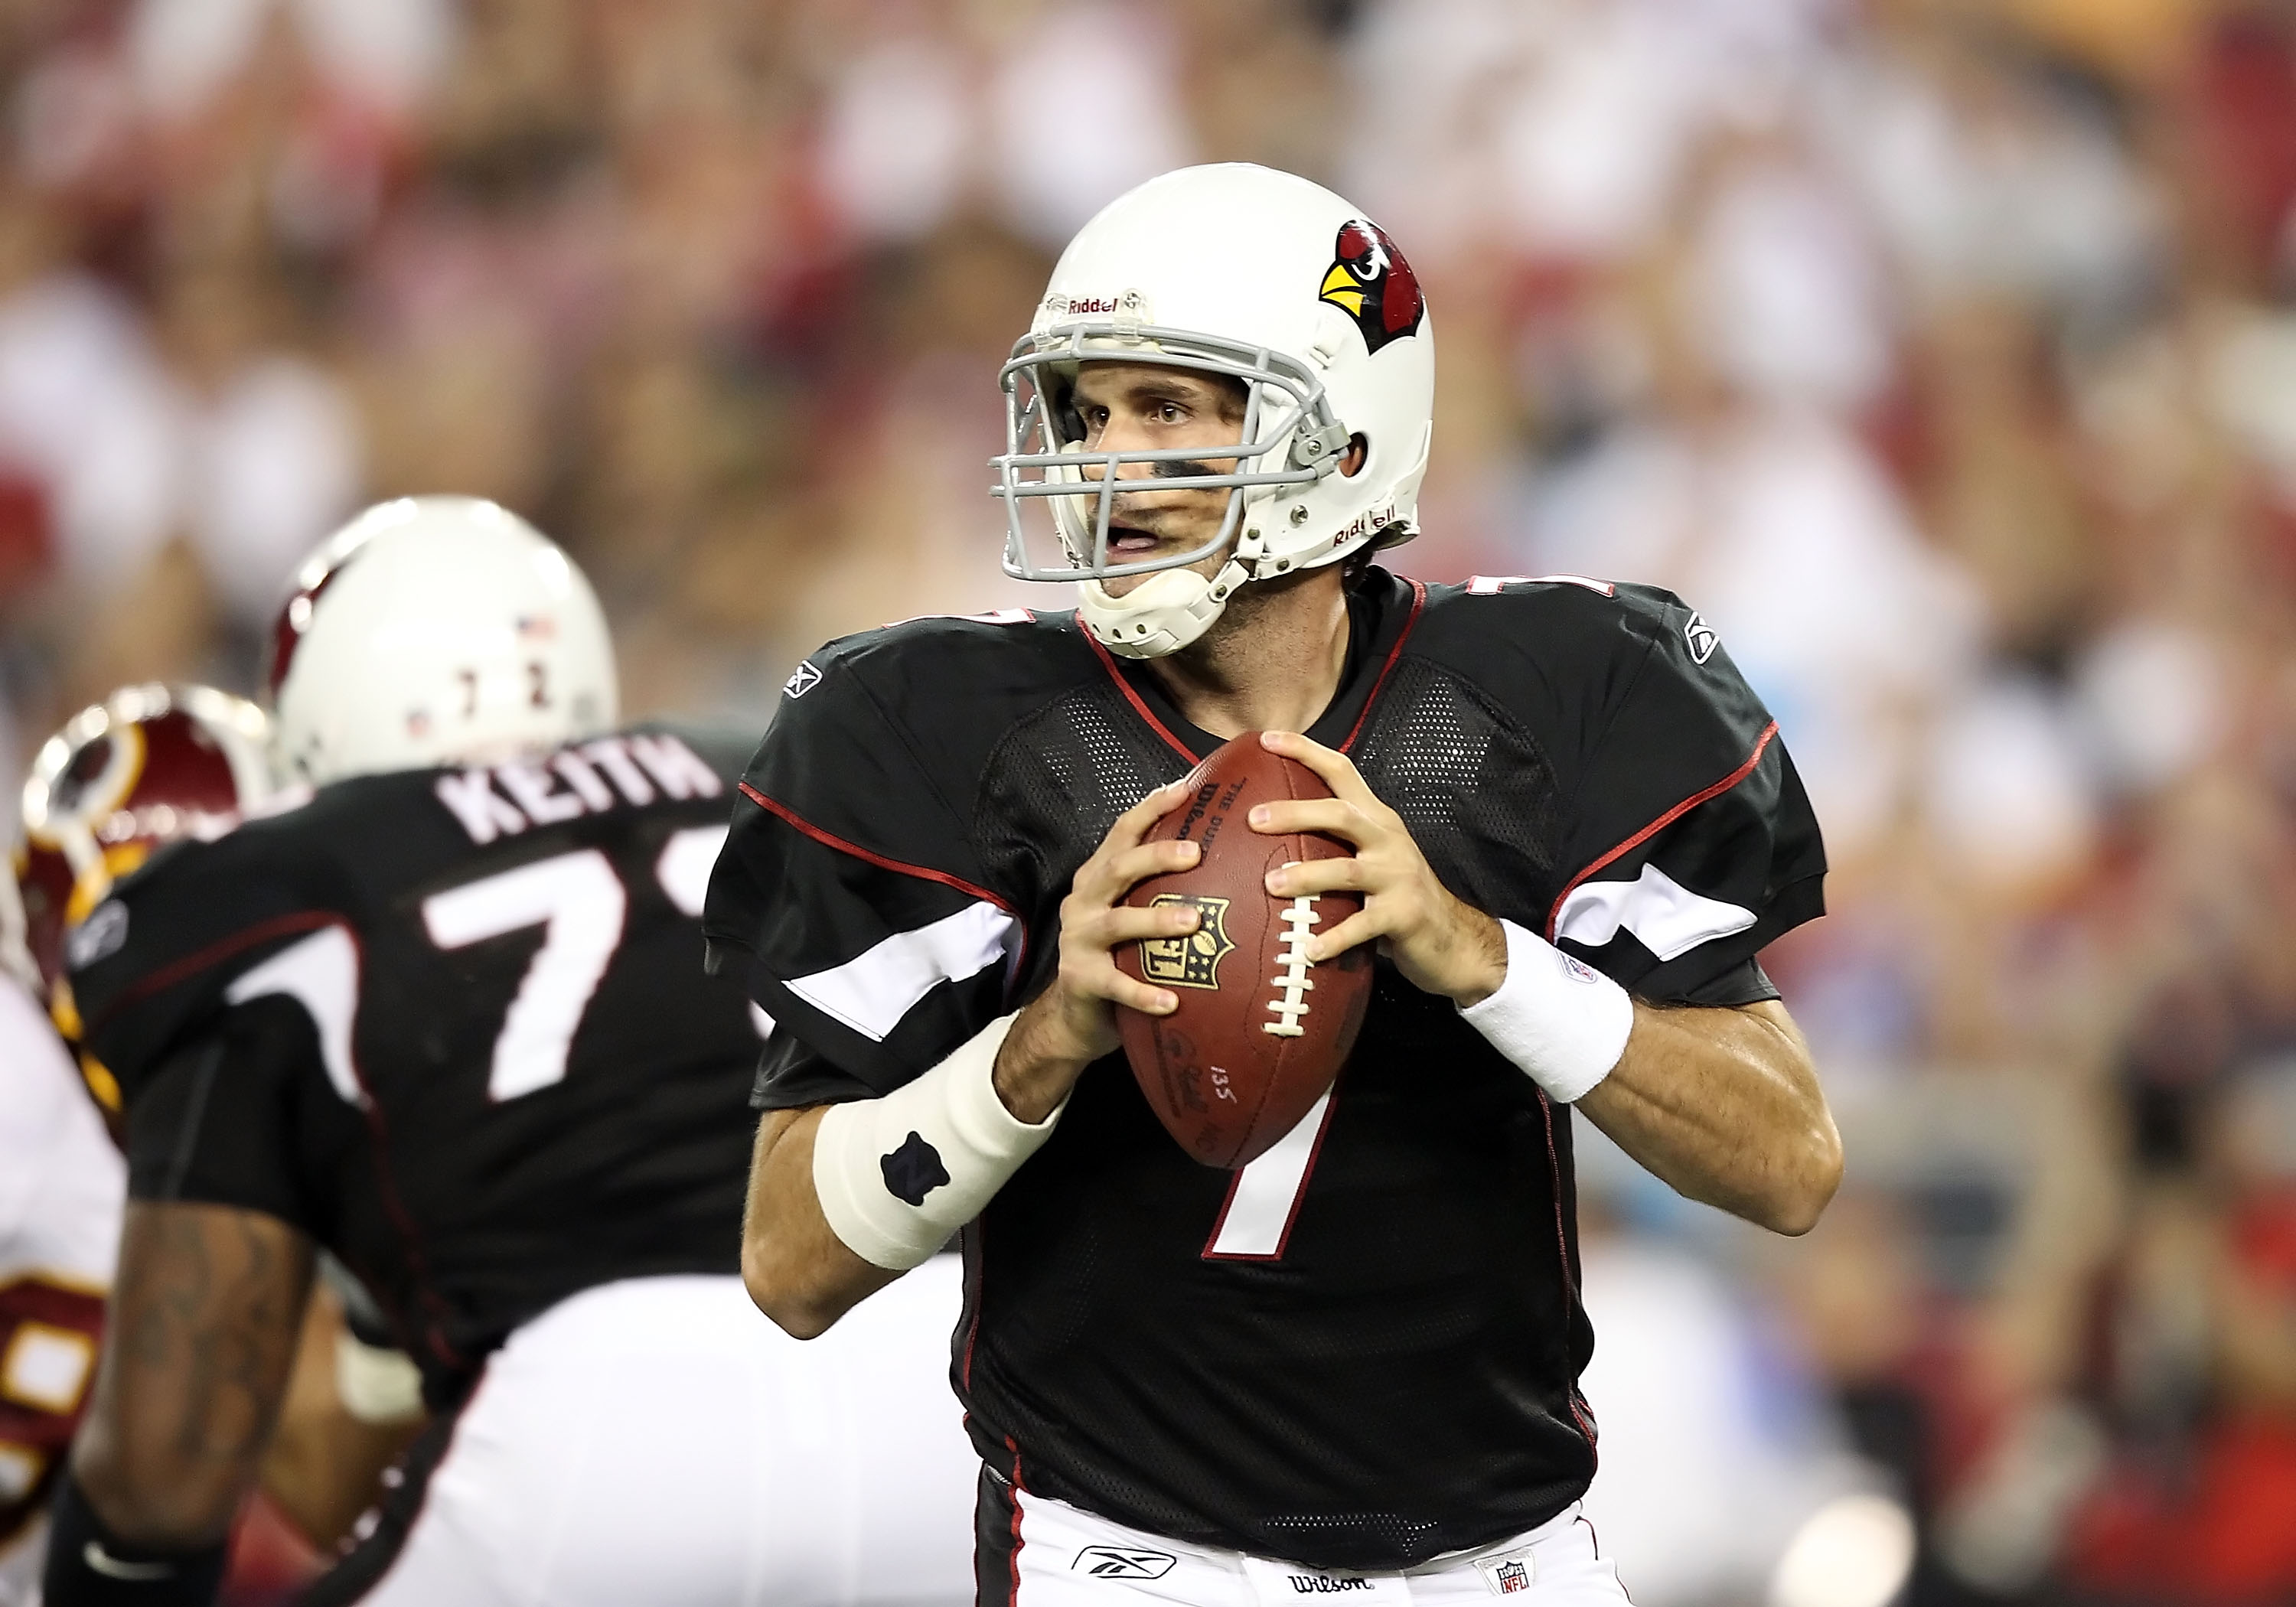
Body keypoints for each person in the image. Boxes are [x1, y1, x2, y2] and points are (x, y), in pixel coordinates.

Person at [707, 164, 1843, 1604]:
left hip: (1505, 1564)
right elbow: (792, 1262)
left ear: (1343, 435)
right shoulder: (947, 727)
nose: (1106, 463)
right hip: (1123, 1559)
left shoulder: (1545, 701)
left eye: (1169, 408)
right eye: (1086, 409)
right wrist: (1045, 1036)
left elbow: (1791, 1165)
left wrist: (1480, 956)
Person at [52, 497, 980, 1606]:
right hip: (931, 1372)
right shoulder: (775, 773)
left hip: (595, 1423)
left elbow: (169, 1474)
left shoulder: (287, 886)